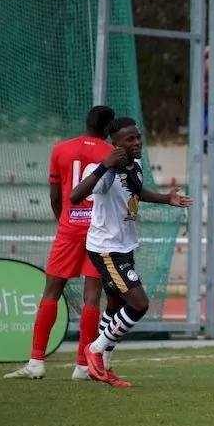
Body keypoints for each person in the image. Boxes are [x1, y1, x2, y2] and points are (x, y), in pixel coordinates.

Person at [70, 117, 193, 387]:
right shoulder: (102, 168)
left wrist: (166, 199)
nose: (137, 143)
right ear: (116, 144)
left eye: (138, 137)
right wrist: (104, 165)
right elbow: (75, 196)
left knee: (115, 306)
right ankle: (95, 350)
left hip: (125, 246)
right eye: (130, 139)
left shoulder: (135, 165)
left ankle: (103, 368)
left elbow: (136, 192)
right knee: (139, 304)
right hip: (106, 249)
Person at [4, 106, 115, 381]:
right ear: (108, 128)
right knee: (92, 297)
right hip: (98, 232)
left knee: (51, 291)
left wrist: (65, 221)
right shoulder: (111, 153)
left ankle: (36, 362)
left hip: (68, 229)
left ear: (86, 123)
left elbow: (54, 196)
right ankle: (82, 366)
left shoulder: (61, 149)